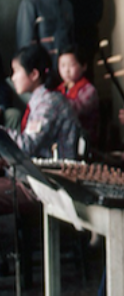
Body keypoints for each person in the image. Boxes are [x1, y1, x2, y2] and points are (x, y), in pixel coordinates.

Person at [0, 44, 82, 215]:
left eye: (16, 71)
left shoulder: (48, 103)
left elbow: (27, 146)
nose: (13, 78)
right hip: (37, 178)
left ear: (34, 74)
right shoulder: (43, 100)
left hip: (47, 185)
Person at [57, 46, 99, 147]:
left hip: (82, 138)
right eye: (62, 66)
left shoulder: (89, 90)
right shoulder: (59, 89)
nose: (66, 70)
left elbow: (75, 109)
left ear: (83, 66)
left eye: (71, 65)